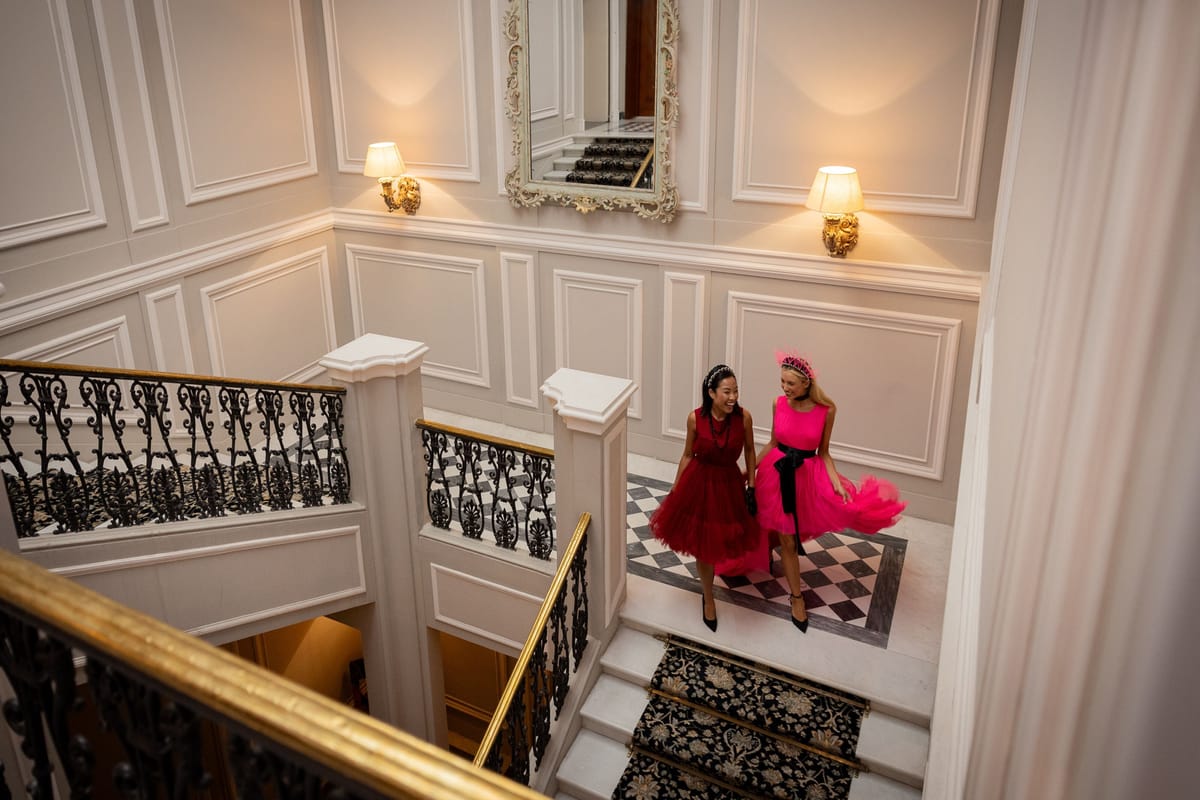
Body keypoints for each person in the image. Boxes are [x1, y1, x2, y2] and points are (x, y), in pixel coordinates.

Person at [753, 352, 906, 632]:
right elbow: (773, 442)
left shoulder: (826, 411)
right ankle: (796, 598)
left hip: (807, 476)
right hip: (776, 473)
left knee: (819, 518)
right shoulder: (778, 403)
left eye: (790, 383)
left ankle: (773, 554)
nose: (784, 388)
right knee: (787, 537)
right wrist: (750, 469)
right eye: (782, 382)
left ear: (806, 383)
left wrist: (835, 481)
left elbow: (823, 452)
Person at [649, 364, 760, 632]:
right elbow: (688, 454)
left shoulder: (744, 418)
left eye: (735, 391)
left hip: (729, 484)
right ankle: (708, 596)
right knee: (704, 546)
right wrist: (677, 489)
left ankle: (718, 582)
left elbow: (750, 451)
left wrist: (752, 486)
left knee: (725, 538)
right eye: (727, 391)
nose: (733, 397)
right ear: (711, 392)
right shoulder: (695, 418)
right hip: (699, 482)